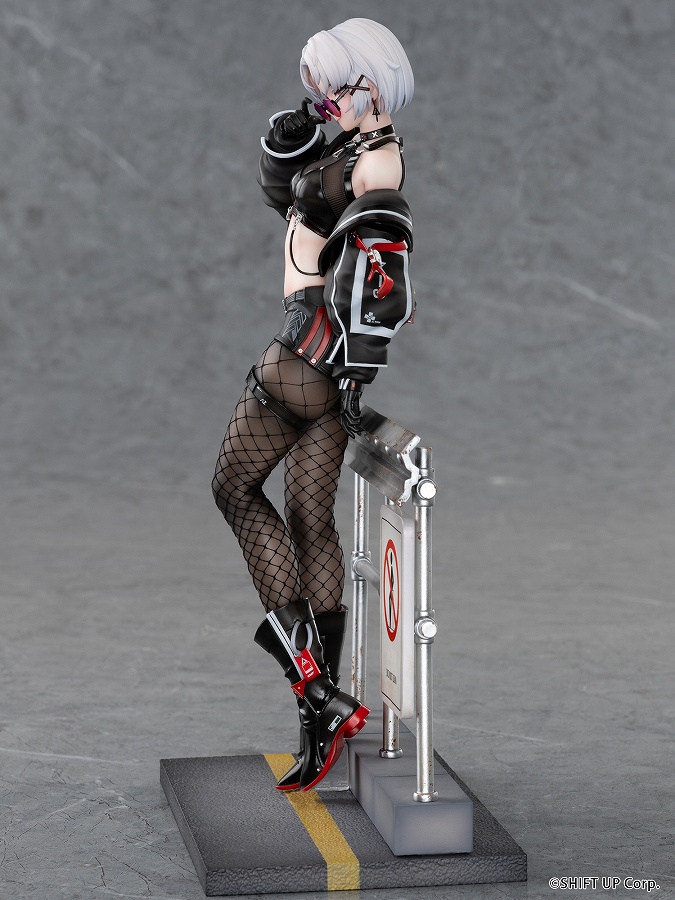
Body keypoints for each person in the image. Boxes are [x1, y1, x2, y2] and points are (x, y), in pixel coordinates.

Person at [212, 18, 415, 792]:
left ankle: (317, 691)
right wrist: (285, 146)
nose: (325, 101)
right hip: (324, 361)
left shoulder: (378, 162)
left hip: (307, 351)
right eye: (320, 90)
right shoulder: (348, 145)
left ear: (373, 83)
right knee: (306, 518)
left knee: (232, 489)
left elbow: (382, 279)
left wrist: (355, 363)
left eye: (336, 89)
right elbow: (292, 207)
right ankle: (318, 711)